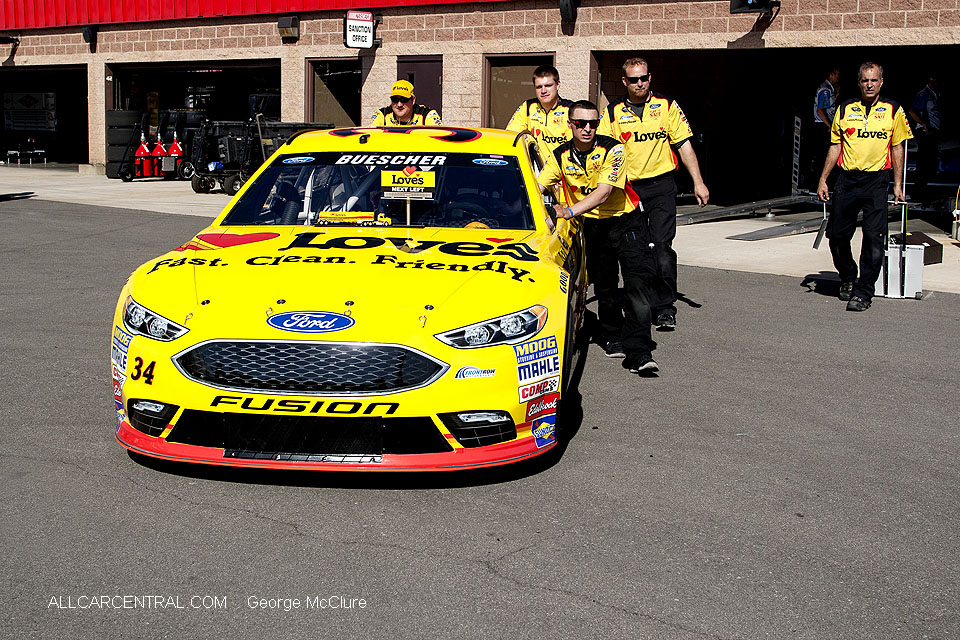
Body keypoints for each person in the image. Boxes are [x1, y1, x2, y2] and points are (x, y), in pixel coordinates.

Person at [538, 100, 665, 375]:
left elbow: (605, 192)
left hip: (626, 221)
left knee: (637, 287)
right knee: (605, 287)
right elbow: (537, 185)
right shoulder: (559, 154)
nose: (587, 129)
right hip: (593, 227)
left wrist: (567, 210)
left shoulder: (613, 148)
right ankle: (611, 335)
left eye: (593, 124)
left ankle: (639, 353)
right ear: (570, 125)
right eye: (581, 123)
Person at [598, 57, 709, 331]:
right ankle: (639, 302)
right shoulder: (612, 113)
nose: (640, 83)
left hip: (661, 186)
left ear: (650, 78)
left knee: (661, 248)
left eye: (644, 78)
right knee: (635, 249)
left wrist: (698, 181)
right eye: (634, 79)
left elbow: (684, 145)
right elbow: (601, 153)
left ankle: (664, 307)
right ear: (624, 82)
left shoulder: (667, 106)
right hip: (628, 189)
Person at [816, 62, 913, 312]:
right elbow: (835, 145)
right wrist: (823, 178)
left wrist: (898, 185)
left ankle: (863, 292)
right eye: (865, 80)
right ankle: (848, 276)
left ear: (881, 82)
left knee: (873, 239)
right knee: (836, 236)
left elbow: (898, 147)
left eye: (874, 80)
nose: (869, 84)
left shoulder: (893, 110)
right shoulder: (845, 108)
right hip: (847, 180)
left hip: (876, 182)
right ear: (859, 83)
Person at [505, 65, 574, 155]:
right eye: (539, 87)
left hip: (564, 167)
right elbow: (511, 135)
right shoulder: (527, 107)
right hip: (535, 168)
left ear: (558, 85)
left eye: (548, 85)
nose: (543, 91)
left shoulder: (571, 109)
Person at [908, 76, 941, 202]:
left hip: (934, 132)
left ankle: (923, 191)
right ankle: (917, 193)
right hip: (925, 133)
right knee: (924, 163)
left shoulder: (936, 94)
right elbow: (912, 111)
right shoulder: (923, 94)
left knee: (930, 163)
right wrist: (924, 125)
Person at [369, 80, 442, 126]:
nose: (399, 104)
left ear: (413, 100)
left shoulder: (426, 115)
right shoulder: (381, 114)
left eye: (404, 99)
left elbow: (441, 136)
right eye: (395, 99)